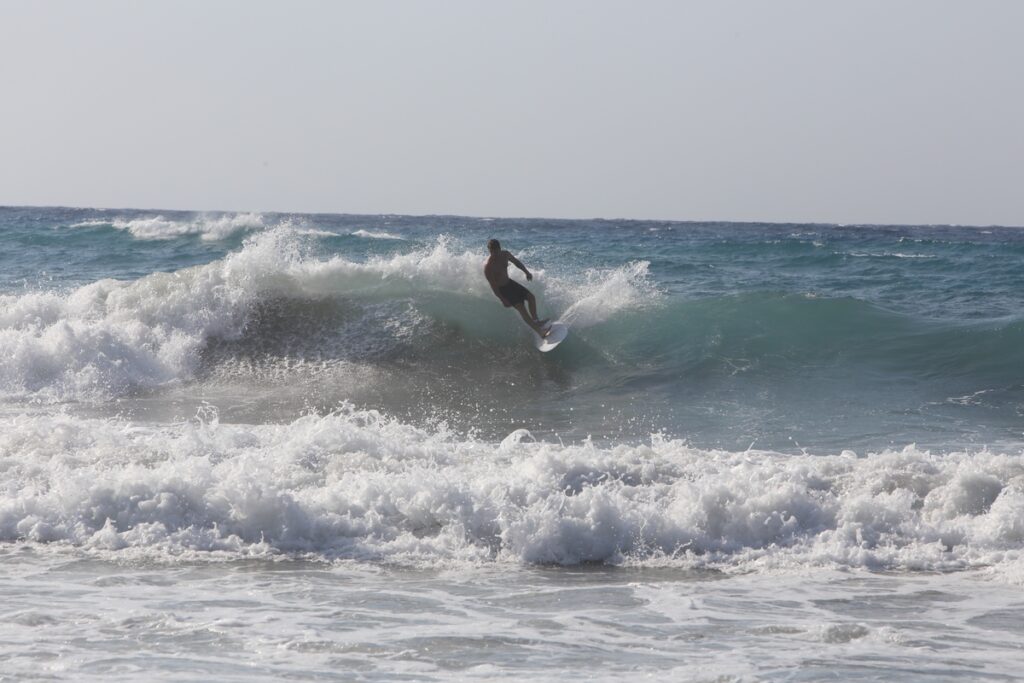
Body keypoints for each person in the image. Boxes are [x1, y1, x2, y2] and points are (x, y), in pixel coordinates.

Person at [484, 239, 550, 337]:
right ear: (489, 251)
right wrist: (502, 299)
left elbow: (516, 262)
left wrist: (526, 272)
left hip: (510, 283)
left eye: (496, 252)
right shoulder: (488, 267)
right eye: (492, 252)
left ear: (499, 249)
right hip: (503, 290)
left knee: (531, 297)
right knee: (522, 308)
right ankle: (540, 332)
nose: (495, 255)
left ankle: (537, 321)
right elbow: (493, 287)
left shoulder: (505, 254)